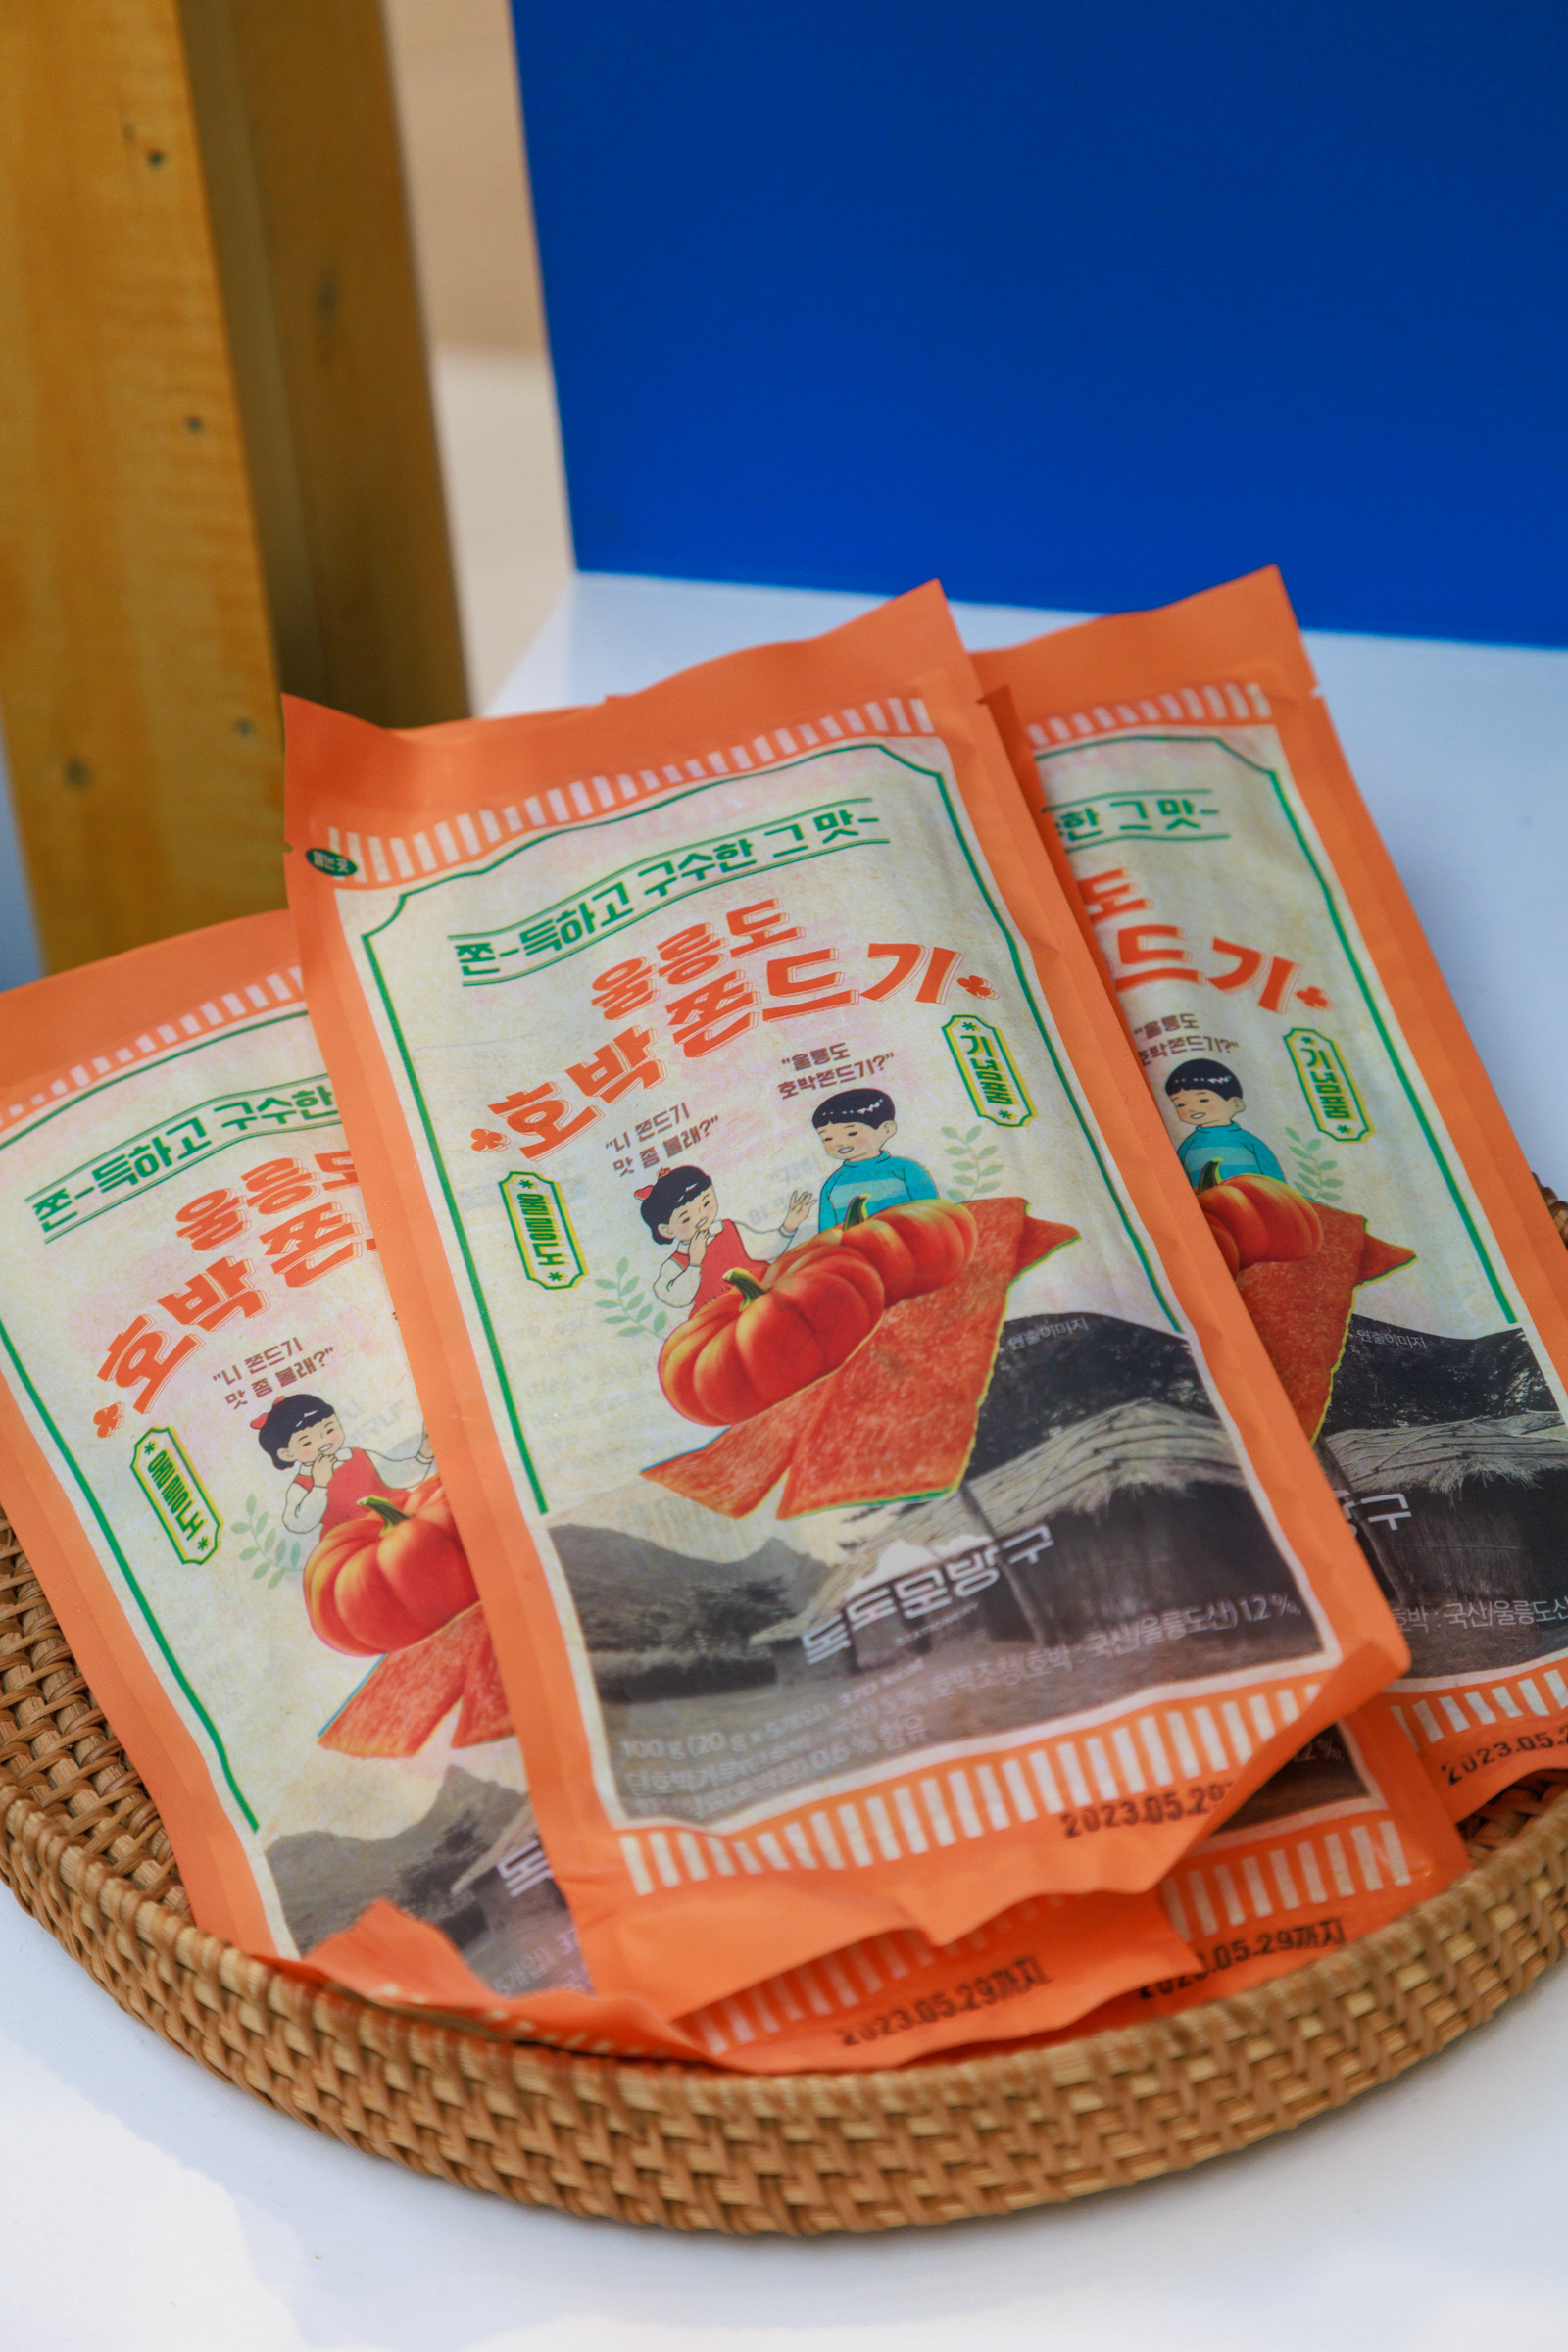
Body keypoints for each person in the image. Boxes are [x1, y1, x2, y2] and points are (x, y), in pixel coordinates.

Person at [640, 1163, 812, 1315]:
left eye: (706, 1203)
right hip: (723, 1318)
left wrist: (788, 1226)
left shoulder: (729, 1229)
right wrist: (694, 1263)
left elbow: (765, 1248)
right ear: (667, 1230)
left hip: (766, 1293)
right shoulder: (676, 1263)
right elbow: (676, 1298)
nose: (701, 1217)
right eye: (686, 1218)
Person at [254, 1393, 433, 1537]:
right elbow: (298, 1523)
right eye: (307, 1442)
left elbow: (397, 1475)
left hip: (401, 1516)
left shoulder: (358, 1455)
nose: (324, 1441)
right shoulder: (301, 1485)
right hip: (354, 1540)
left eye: (330, 1429)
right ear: (287, 1454)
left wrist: (423, 1455)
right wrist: (319, 1485)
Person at [810, 1086, 937, 1230]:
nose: (839, 1143)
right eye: (828, 1138)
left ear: (887, 1129)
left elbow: (935, 1213)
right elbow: (827, 1234)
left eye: (851, 1133)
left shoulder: (906, 1170)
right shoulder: (833, 1184)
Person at [1164, 1056, 1285, 1186]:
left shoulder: (1246, 1140)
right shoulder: (1191, 1143)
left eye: (1203, 1100)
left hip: (1253, 1196)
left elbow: (1269, 1167)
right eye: (1181, 1104)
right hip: (1207, 1197)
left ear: (1236, 1104)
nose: (1191, 1108)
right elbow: (1180, 1172)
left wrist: (1281, 1193)